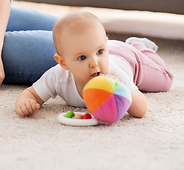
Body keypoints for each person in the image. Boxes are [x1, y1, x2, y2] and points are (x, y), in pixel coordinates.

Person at [15, 11, 173, 118]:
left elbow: (141, 110)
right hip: (110, 49)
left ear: (105, 44)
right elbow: (31, 94)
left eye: (99, 52)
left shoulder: (113, 73)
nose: (95, 63)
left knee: (166, 80)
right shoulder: (57, 76)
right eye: (82, 57)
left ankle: (139, 46)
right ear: (63, 62)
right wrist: (24, 103)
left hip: (127, 58)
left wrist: (121, 90)